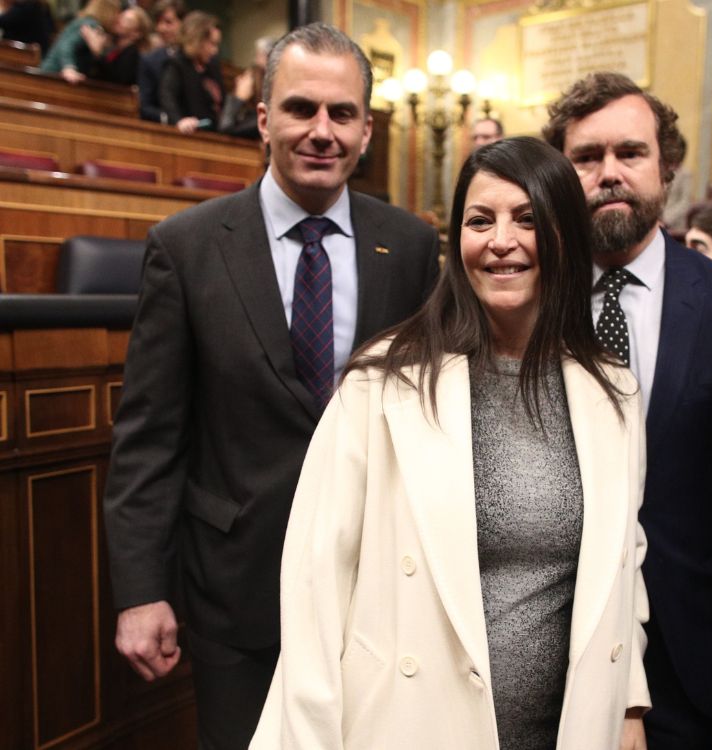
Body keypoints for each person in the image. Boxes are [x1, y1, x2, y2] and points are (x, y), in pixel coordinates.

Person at [103, 23, 441, 750]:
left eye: (341, 114)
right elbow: (149, 438)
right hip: (237, 593)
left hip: (379, 591)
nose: (321, 132)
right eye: (300, 110)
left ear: (366, 130)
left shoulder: (409, 246)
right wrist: (140, 591)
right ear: (264, 119)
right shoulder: (186, 247)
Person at [250, 135, 649, 750]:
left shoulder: (613, 390)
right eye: (479, 220)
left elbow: (624, 560)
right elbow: (313, 584)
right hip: (409, 726)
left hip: (565, 731)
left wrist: (628, 705)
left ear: (566, 234)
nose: (500, 241)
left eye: (527, 219)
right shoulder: (383, 384)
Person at [544, 71, 712, 750]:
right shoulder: (526, 305)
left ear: (666, 165)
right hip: (556, 651)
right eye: (586, 158)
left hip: (698, 659)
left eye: (630, 153)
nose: (608, 173)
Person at [158, 11, 223, 134]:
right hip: (191, 135)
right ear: (197, 39)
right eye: (212, 44)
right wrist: (179, 121)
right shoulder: (177, 64)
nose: (215, 50)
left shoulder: (213, 66)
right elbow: (167, 96)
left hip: (214, 133)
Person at [38, 0, 119, 83]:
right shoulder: (91, 25)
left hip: (50, 71)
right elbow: (66, 45)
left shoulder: (84, 21)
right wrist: (69, 68)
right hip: (55, 74)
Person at [137, 0, 183, 122]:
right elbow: (145, 107)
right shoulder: (149, 60)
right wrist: (172, 119)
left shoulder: (194, 57)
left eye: (168, 22)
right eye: (158, 22)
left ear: (183, 23)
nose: (161, 28)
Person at [219, 36, 273, 139]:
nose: (238, 79)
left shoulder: (259, 119)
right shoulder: (248, 114)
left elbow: (225, 129)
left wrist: (237, 99)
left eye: (244, 77)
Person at [92, 6, 150, 86]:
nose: (119, 21)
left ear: (136, 34)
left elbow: (117, 81)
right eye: (121, 17)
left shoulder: (132, 54)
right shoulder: (115, 50)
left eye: (128, 21)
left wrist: (98, 52)